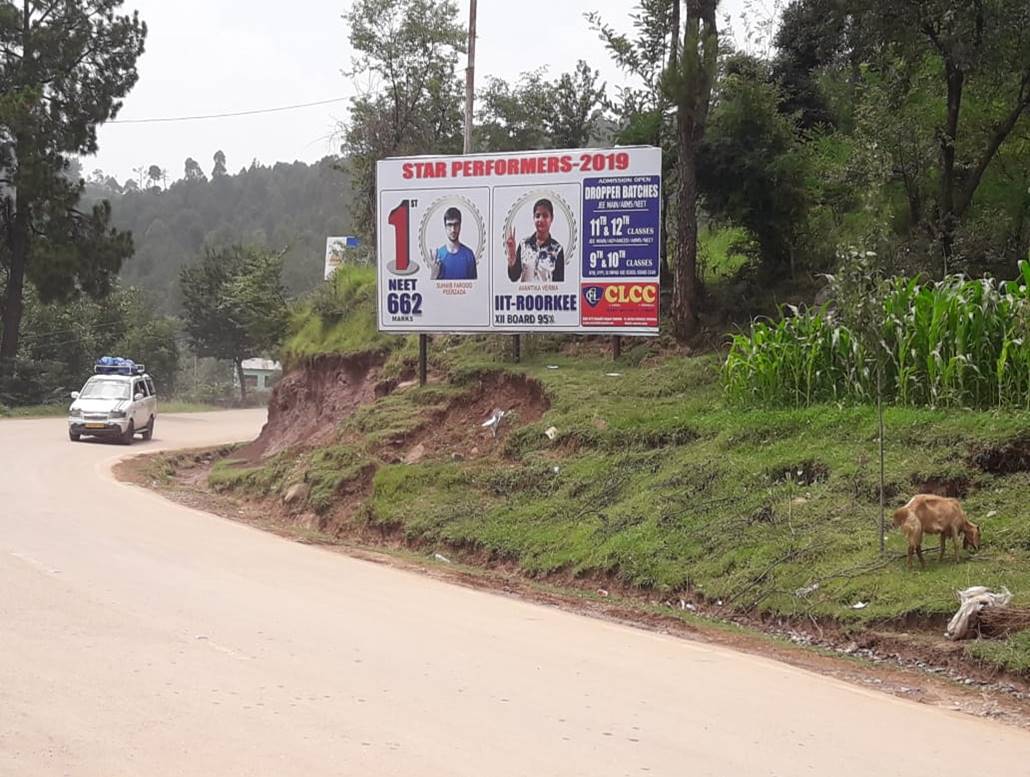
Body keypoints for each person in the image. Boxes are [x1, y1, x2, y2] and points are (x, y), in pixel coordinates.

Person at [505, 197, 565, 283]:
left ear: (551, 218)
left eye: (545, 216)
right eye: (537, 216)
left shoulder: (557, 249)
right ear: (533, 218)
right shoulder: (523, 245)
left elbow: (560, 286)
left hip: (546, 296)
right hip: (525, 296)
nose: (541, 219)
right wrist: (512, 256)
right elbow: (514, 277)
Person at [433, 207, 477, 280]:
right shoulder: (438, 256)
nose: (453, 230)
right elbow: (433, 289)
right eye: (449, 225)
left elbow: (474, 287)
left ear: (460, 226)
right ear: (445, 227)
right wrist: (433, 276)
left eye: (456, 224)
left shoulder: (469, 255)